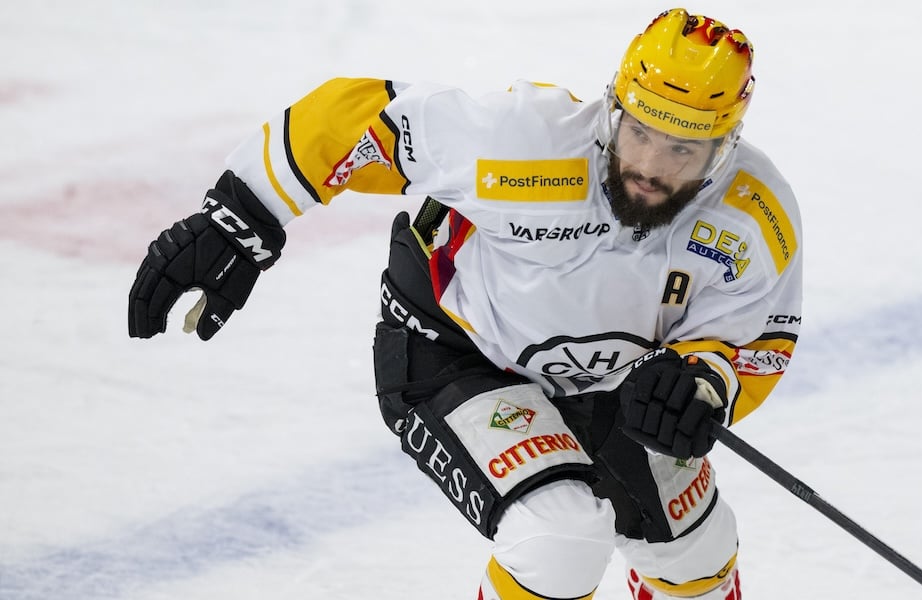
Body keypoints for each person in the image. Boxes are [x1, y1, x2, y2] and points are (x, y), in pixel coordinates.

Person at [128, 7, 802, 599]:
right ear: (613, 110)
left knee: (699, 556)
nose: (652, 165)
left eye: (683, 148)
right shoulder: (525, 144)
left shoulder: (755, 217)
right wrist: (237, 220)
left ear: (725, 147)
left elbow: (756, 342)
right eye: (642, 132)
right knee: (561, 541)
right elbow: (355, 118)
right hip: (454, 351)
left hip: (610, 383)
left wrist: (702, 387)